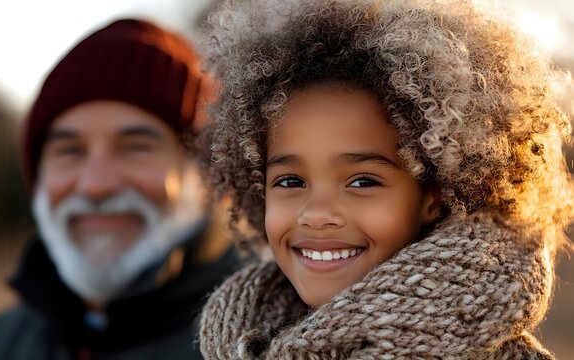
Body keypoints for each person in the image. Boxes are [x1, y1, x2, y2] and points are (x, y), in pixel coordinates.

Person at [197, 0, 574, 358]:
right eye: (291, 182)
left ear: (433, 195)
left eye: (362, 182)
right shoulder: (236, 339)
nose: (316, 214)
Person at [0, 18, 239, 360]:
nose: (95, 185)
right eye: (70, 151)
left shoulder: (262, 343)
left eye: (136, 147)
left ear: (207, 177)